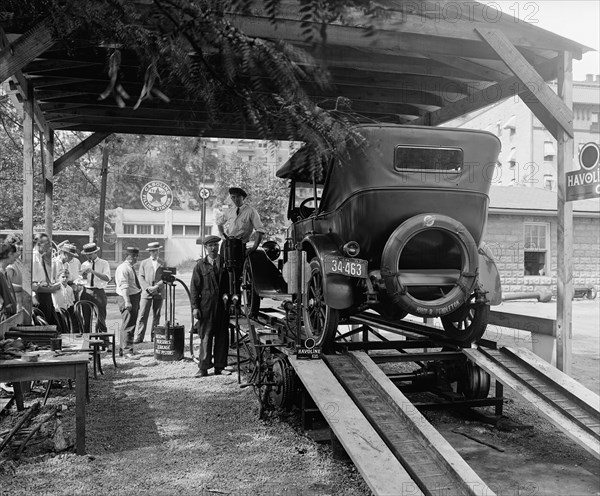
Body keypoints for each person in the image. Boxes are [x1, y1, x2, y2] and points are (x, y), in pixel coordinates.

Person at [190, 235, 231, 377]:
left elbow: (233, 285)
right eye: (210, 246)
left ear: (219, 246)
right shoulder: (200, 265)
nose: (213, 248)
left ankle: (220, 366)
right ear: (206, 248)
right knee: (205, 337)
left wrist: (232, 301)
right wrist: (195, 307)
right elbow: (194, 288)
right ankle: (203, 368)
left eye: (215, 245)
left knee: (222, 337)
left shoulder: (226, 264)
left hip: (223, 306)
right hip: (206, 306)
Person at [134, 242, 166, 344]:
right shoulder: (144, 263)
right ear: (149, 252)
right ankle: (139, 337)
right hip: (146, 293)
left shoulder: (163, 263)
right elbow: (141, 277)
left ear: (158, 251)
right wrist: (148, 288)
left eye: (156, 250)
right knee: (143, 315)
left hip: (159, 292)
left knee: (157, 315)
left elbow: (166, 278)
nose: (154, 252)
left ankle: (154, 336)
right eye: (152, 251)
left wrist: (157, 286)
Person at [217, 187, 265, 254]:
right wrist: (223, 236)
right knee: (222, 263)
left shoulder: (251, 211)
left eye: (238, 196)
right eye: (233, 197)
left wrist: (254, 247)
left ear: (243, 197)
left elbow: (260, 230)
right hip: (227, 245)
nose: (236, 199)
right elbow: (219, 223)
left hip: (241, 246)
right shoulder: (229, 211)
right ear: (231, 198)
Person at [115, 246, 142, 359]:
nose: (135, 258)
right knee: (129, 325)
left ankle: (124, 350)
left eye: (136, 256)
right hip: (128, 298)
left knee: (128, 324)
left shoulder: (129, 267)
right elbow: (124, 286)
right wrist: (127, 301)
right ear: (127, 256)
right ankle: (127, 351)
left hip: (133, 296)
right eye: (133, 256)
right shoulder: (123, 268)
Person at [79, 242, 111, 332]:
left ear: (95, 253)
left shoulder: (104, 263)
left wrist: (93, 272)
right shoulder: (84, 264)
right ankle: (86, 342)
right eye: (87, 255)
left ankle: (103, 341)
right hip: (86, 291)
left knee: (100, 318)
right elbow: (83, 280)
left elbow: (107, 278)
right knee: (86, 319)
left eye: (90, 254)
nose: (88, 256)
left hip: (98, 292)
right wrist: (82, 277)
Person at [31, 233, 61, 325]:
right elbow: (31, 282)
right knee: (42, 324)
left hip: (46, 293)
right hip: (39, 295)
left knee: (51, 322)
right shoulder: (33, 258)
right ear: (38, 244)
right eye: (46, 243)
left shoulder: (41, 257)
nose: (49, 246)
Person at [52, 269, 76, 333]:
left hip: (66, 311)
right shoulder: (55, 287)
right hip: (57, 311)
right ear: (58, 277)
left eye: (66, 277)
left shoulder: (69, 288)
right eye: (63, 277)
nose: (65, 279)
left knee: (66, 328)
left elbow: (71, 300)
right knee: (58, 328)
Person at [5, 234, 24, 311]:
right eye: (18, 244)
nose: (21, 247)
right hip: (14, 304)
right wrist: (25, 288)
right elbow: (7, 285)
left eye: (21, 244)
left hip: (22, 303)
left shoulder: (19, 261)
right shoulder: (10, 264)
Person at [0, 242, 18, 320]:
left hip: (8, 316)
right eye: (15, 254)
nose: (16, 257)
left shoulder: (5, 272)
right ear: (10, 254)